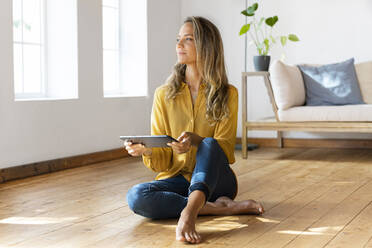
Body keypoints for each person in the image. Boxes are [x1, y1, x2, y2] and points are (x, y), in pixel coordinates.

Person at [124, 16, 264, 244]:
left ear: (206, 45)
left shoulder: (228, 93)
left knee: (209, 143)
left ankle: (188, 214)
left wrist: (197, 140)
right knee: (137, 196)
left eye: (187, 39)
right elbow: (162, 163)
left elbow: (226, 150)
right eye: (178, 39)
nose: (179, 45)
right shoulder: (163, 94)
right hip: (177, 179)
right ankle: (221, 210)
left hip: (218, 182)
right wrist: (147, 151)